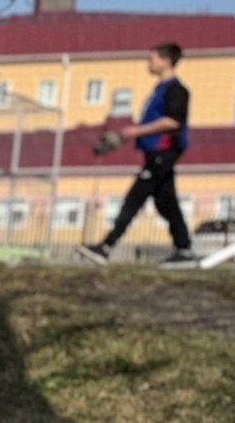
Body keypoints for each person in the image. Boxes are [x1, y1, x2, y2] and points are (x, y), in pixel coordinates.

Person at [80, 43, 197, 265]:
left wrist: (135, 130)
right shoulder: (159, 89)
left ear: (165, 61)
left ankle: (106, 246)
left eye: (152, 59)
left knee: (134, 199)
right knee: (166, 202)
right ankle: (184, 250)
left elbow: (172, 121)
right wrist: (128, 135)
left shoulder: (176, 90)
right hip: (154, 153)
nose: (149, 63)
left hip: (164, 152)